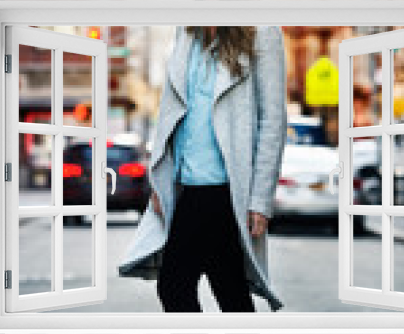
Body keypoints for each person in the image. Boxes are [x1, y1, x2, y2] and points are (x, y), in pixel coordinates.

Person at [118, 25, 287, 312]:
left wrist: (260, 199)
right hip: (187, 184)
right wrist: (162, 181)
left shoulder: (262, 31)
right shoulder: (187, 32)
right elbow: (173, 111)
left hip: (227, 188)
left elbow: (272, 119)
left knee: (176, 285)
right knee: (228, 287)